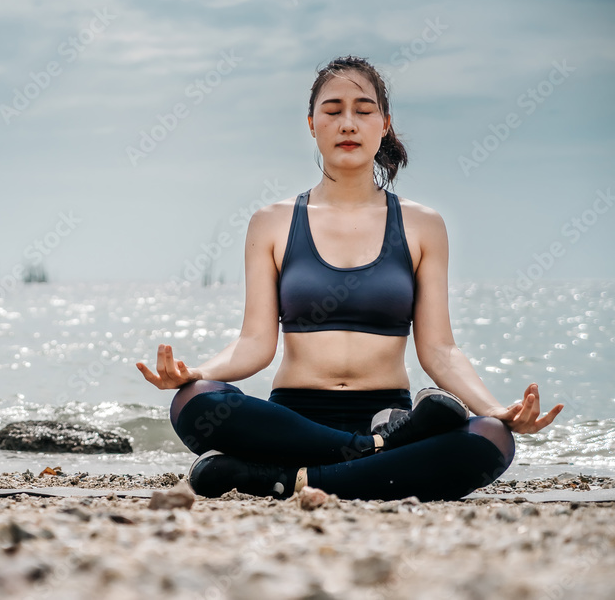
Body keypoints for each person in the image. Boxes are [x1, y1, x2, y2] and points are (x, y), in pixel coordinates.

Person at [135, 55, 563, 502]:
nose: (348, 123)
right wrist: (196, 372)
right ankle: (376, 452)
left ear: (384, 124)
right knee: (193, 401)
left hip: (387, 411)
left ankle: (283, 480)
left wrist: (494, 408)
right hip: (297, 422)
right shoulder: (272, 222)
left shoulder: (422, 225)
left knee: (492, 437)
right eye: (333, 109)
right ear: (311, 124)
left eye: (363, 110)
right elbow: (255, 344)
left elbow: (439, 348)